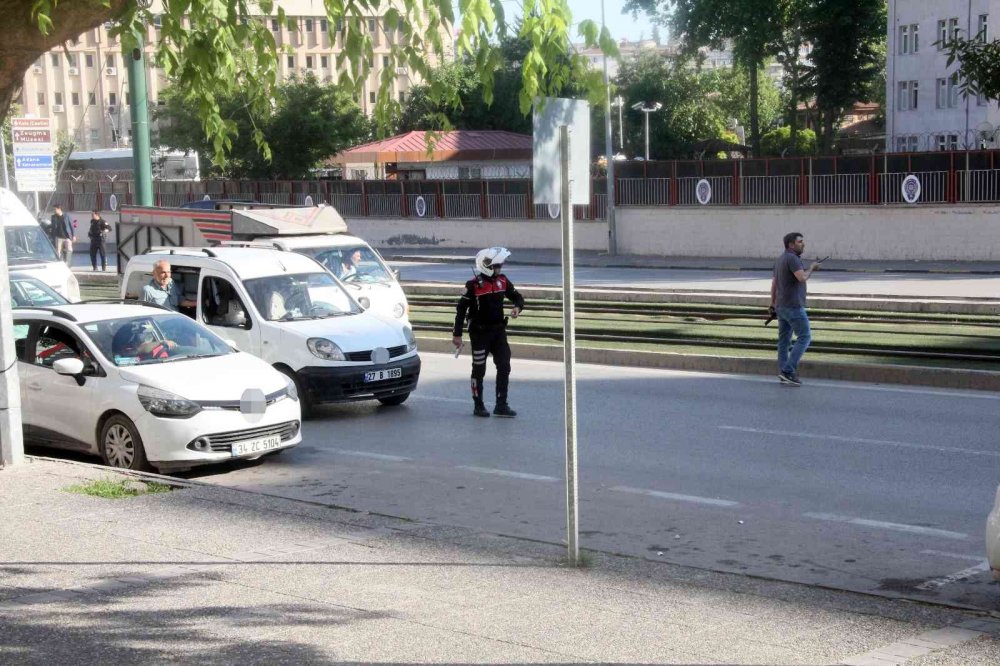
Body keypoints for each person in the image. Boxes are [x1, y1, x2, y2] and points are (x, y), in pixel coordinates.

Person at [452, 247, 524, 418]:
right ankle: (478, 405)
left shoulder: (503, 281)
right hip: (479, 333)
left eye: (501, 264)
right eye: (498, 265)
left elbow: (517, 297)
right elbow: (460, 310)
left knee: (504, 365)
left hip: (498, 331)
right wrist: (457, 334)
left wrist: (517, 308)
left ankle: (501, 404)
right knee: (479, 369)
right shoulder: (473, 286)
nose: (501, 268)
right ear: (487, 265)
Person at [770, 232, 821, 386]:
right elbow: (802, 278)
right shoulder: (793, 259)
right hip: (793, 306)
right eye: (800, 242)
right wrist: (812, 268)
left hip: (781, 306)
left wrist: (772, 304)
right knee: (805, 337)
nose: (803, 244)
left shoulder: (779, 259)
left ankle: (783, 372)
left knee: (784, 341)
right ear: (791, 245)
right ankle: (788, 371)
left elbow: (774, 284)